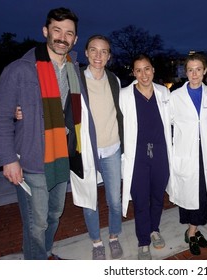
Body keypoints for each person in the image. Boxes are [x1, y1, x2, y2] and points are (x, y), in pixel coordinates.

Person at [0, 7, 99, 260]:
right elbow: (0, 116)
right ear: (45, 31)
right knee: (35, 223)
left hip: (62, 157)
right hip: (32, 161)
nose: (63, 37)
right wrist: (8, 159)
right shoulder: (20, 69)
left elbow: (75, 112)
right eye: (57, 30)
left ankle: (44, 253)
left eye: (69, 33)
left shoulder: (74, 69)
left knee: (53, 215)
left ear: (75, 39)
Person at [120, 54, 172, 260]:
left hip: (160, 154)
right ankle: (143, 241)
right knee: (141, 201)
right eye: (139, 70)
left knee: (157, 197)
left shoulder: (163, 92)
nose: (144, 74)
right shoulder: (125, 95)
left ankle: (154, 229)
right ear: (133, 73)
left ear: (153, 70)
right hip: (137, 157)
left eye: (147, 69)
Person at [78, 35, 124, 259]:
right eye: (93, 50)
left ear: (109, 56)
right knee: (90, 201)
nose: (98, 55)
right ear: (86, 52)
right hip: (87, 151)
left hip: (112, 149)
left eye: (103, 51)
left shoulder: (114, 80)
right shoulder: (75, 79)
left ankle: (114, 236)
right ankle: (96, 242)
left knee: (115, 200)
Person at [167, 53, 207, 255]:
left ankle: (192, 230)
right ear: (185, 72)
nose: (194, 74)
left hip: (205, 152)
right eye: (190, 69)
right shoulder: (175, 97)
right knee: (188, 195)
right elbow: (166, 124)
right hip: (185, 153)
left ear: (205, 71)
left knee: (202, 195)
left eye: (198, 69)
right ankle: (192, 231)